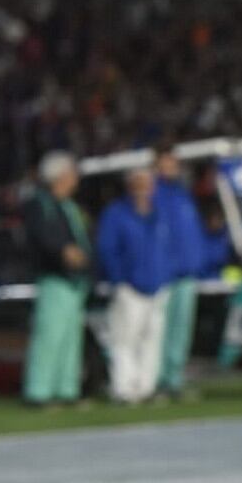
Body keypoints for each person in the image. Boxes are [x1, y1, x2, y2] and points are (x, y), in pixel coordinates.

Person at [95, 166, 172, 405]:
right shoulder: (117, 214)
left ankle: (145, 387)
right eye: (138, 183)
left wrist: (167, 275)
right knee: (124, 339)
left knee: (152, 340)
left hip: (158, 286)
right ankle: (124, 389)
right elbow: (107, 249)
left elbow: (170, 248)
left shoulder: (159, 214)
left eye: (147, 183)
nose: (143, 188)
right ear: (130, 186)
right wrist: (120, 279)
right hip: (130, 287)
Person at [21, 152, 90, 408]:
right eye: (71, 172)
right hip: (54, 278)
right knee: (49, 337)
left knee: (70, 339)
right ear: (59, 176)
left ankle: (66, 389)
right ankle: (38, 392)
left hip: (74, 281)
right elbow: (40, 235)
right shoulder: (40, 203)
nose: (75, 178)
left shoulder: (67, 206)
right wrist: (63, 250)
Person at [153, 148, 202, 401]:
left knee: (181, 331)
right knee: (162, 330)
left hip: (187, 274)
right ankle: (159, 380)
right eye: (165, 164)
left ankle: (174, 379)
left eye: (173, 164)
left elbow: (193, 235)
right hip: (165, 276)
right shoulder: (154, 196)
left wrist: (200, 262)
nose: (170, 168)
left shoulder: (183, 195)